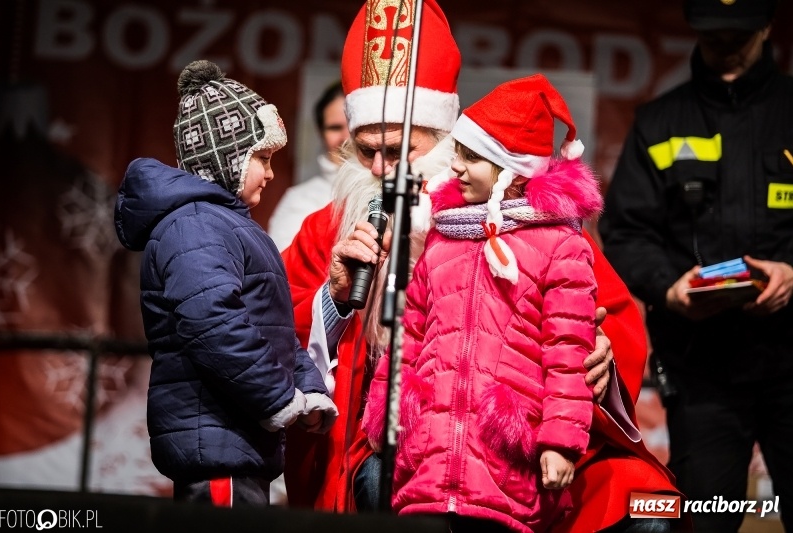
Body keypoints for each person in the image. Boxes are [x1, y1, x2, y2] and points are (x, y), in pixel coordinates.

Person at [283, 1, 677, 531]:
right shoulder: (328, 229)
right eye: (365, 150)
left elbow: (608, 320)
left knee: (646, 511)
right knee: (379, 480)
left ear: (447, 142)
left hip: (522, 430)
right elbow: (273, 334)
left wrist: (599, 362)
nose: (380, 171)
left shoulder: (527, 221)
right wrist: (332, 301)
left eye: (400, 150)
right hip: (404, 440)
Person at [361, 74, 601, 533]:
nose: (456, 168)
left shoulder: (560, 245)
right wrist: (386, 413)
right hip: (429, 460)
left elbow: (568, 353)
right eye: (458, 154)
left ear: (508, 169)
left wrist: (560, 442)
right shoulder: (442, 236)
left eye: (472, 157)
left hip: (506, 458)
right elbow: (408, 337)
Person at [599, 0, 793, 530]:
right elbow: (625, 230)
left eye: (740, 37)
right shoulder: (660, 122)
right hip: (702, 366)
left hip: (792, 358)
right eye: (714, 38)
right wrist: (670, 287)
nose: (727, 49)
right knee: (706, 517)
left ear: (768, 26)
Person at [113, 60, 337, 506]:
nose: (271, 172)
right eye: (262, 157)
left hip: (237, 439)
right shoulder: (195, 226)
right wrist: (278, 397)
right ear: (225, 157)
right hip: (217, 444)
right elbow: (213, 323)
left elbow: (265, 325)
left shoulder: (225, 225)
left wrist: (308, 387)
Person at [267, 80, 349, 250]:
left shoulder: (398, 188)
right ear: (321, 134)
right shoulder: (299, 200)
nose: (346, 137)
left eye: (353, 126)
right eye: (335, 128)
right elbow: (286, 269)